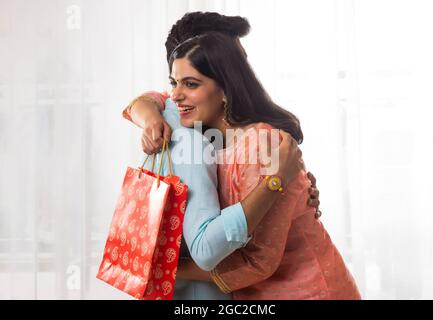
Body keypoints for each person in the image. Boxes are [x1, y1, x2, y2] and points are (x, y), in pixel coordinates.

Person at [125, 13, 347, 300]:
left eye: (189, 84)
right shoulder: (190, 123)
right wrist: (149, 118)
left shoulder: (258, 142)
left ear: (226, 83)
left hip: (306, 291)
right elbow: (149, 101)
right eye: (175, 82)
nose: (176, 95)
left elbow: (257, 261)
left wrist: (161, 266)